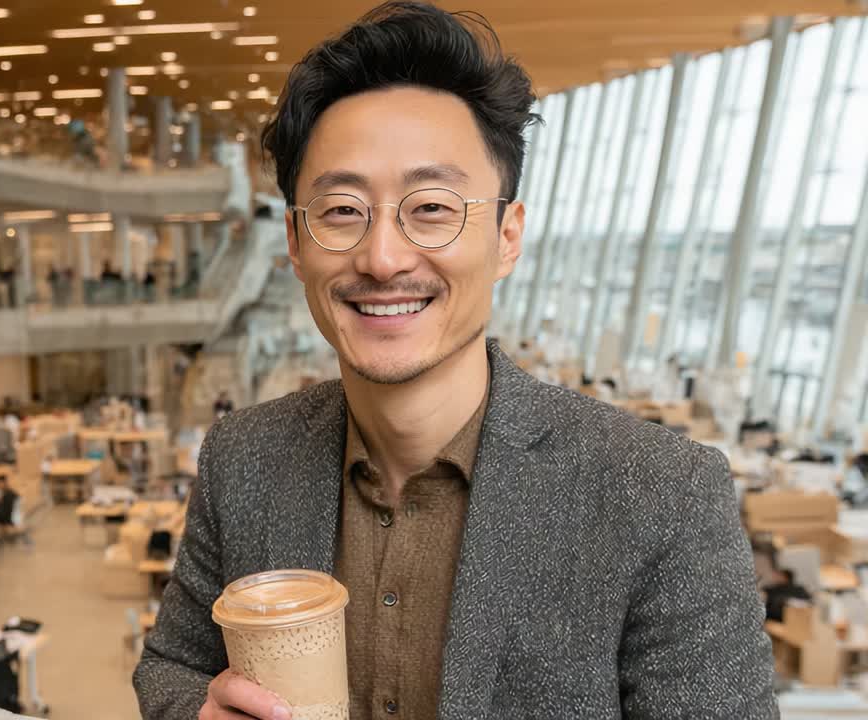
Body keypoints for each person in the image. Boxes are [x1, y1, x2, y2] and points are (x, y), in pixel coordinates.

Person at [133, 4, 776, 719]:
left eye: (432, 207)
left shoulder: (661, 497)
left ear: (507, 235)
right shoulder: (244, 460)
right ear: (294, 240)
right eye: (343, 210)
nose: (383, 258)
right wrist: (197, 710)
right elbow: (173, 664)